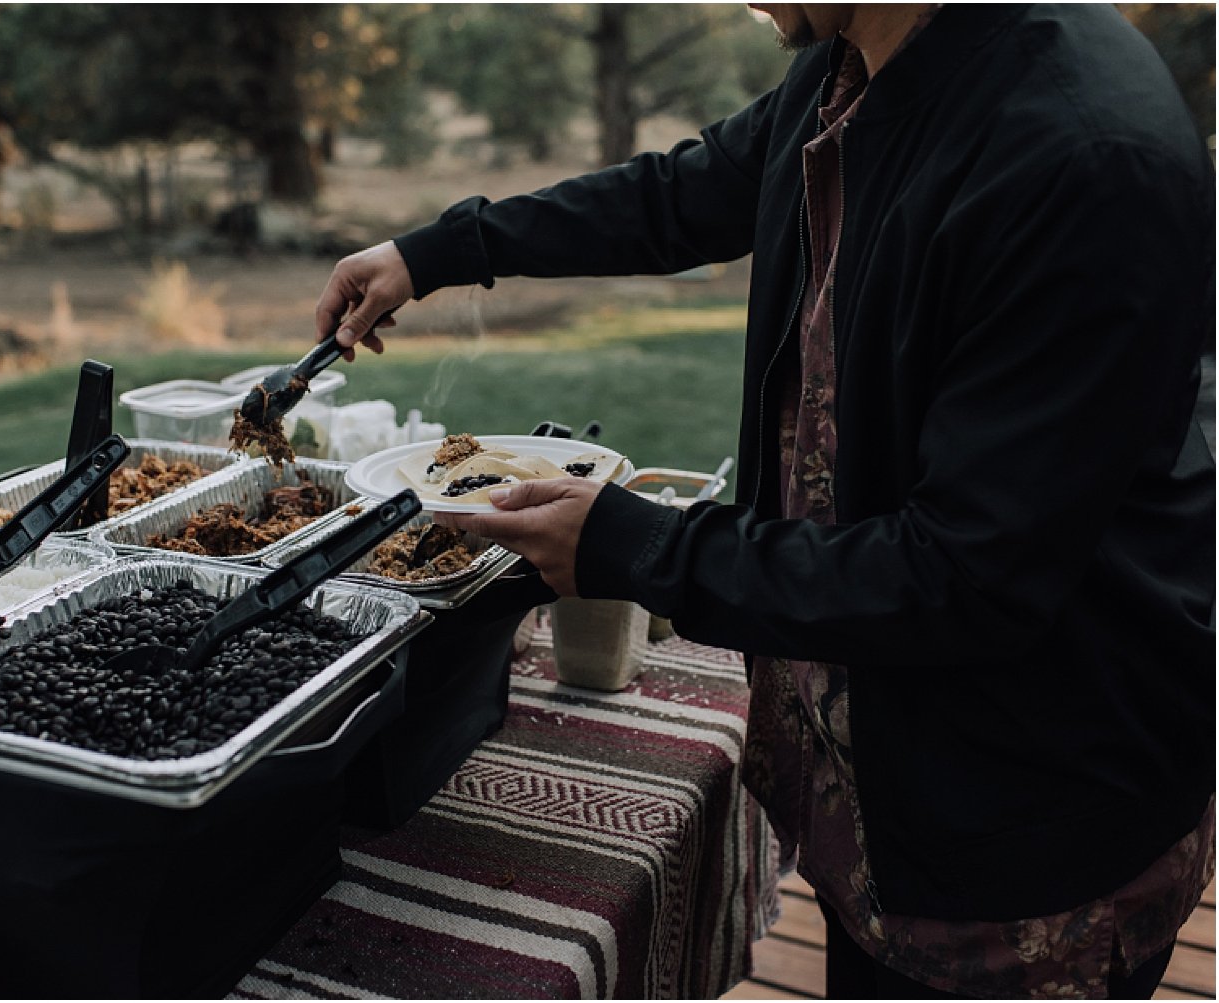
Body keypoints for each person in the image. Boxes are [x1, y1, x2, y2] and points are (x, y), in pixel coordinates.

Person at [312, 5, 1215, 998]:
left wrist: (630, 547)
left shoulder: (1079, 157)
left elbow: (965, 575)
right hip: (885, 801)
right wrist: (435, 252)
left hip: (1029, 845)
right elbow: (680, 196)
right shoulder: (852, 65)